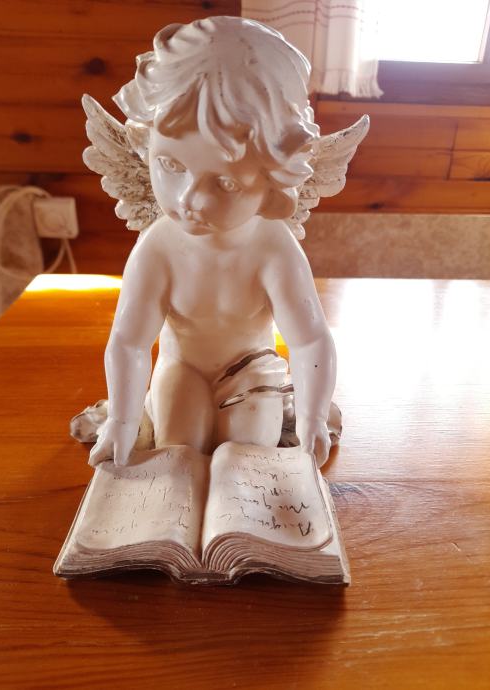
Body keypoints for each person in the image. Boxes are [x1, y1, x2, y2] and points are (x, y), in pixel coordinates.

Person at [89, 16, 338, 467]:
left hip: (252, 371)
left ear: (273, 179)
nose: (189, 200)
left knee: (247, 453)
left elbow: (310, 341)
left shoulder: (272, 247)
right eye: (170, 164)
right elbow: (128, 342)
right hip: (180, 368)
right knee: (180, 447)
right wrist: (121, 422)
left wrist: (312, 415)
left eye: (224, 182)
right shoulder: (159, 247)